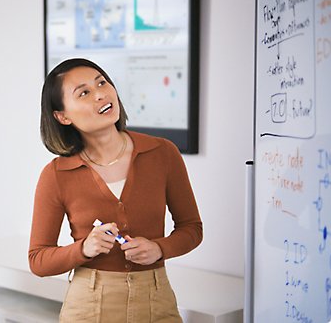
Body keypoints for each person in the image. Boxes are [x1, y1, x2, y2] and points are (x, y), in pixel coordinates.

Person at [29, 58, 203, 322]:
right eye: (84, 92)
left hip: (156, 299)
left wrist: (159, 249)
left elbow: (192, 228)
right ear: (62, 116)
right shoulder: (56, 175)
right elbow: (38, 260)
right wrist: (84, 248)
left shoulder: (163, 153)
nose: (100, 94)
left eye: (102, 82)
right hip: (89, 305)